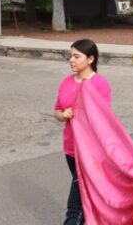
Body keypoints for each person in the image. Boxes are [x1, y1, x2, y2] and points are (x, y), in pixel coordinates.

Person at [54, 39, 112, 225]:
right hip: (70, 148)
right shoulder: (66, 81)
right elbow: (57, 110)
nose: (71, 60)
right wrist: (63, 114)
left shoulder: (100, 84)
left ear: (90, 59)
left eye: (76, 56)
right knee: (85, 193)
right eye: (70, 56)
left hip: (90, 152)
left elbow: (103, 119)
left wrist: (80, 113)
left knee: (75, 204)